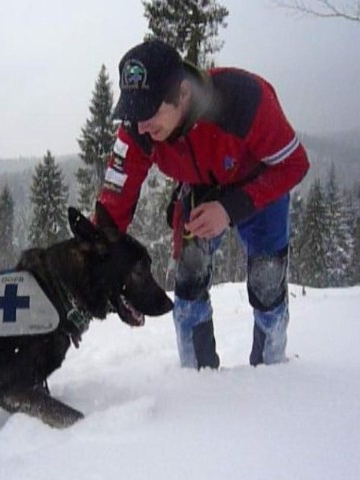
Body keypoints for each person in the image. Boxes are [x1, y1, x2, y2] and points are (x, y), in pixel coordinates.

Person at [97, 39, 310, 369]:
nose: (140, 126)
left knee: (267, 287)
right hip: (200, 187)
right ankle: (197, 378)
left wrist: (230, 209)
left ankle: (271, 373)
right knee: (189, 283)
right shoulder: (138, 130)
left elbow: (294, 164)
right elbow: (115, 197)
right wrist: (94, 258)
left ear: (182, 93)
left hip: (259, 183)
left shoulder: (245, 100)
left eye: (149, 111)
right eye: (132, 112)